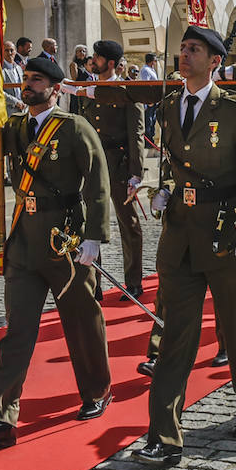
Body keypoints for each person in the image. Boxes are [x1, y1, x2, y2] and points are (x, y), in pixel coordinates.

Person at [94, 26, 236, 467]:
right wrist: (163, 189)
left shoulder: (235, 108)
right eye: (183, 48)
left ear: (214, 61)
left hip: (223, 233)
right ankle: (164, 435)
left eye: (194, 49)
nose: (184, 54)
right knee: (175, 336)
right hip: (179, 238)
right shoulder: (171, 106)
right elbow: (175, 162)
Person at [0, 56, 113, 448]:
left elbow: (98, 185)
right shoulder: (13, 128)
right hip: (24, 240)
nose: (28, 84)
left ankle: (97, 391)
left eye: (37, 79)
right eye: (26, 78)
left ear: (56, 87)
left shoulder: (74, 128)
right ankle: (1, 418)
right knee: (17, 332)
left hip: (65, 240)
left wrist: (94, 238)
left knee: (81, 321)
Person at [79, 39, 146, 298]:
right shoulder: (89, 88)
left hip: (118, 165)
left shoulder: (127, 90)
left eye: (96, 57)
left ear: (109, 63)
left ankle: (134, 282)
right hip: (92, 165)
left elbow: (136, 134)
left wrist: (136, 173)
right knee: (91, 223)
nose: (91, 61)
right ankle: (94, 283)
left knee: (127, 223)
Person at [1, 41, 25, 116]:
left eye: (12, 50)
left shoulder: (19, 68)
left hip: (22, 110)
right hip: (7, 112)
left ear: (15, 52)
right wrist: (15, 102)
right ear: (2, 52)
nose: (10, 53)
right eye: (6, 50)